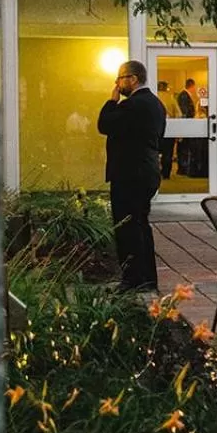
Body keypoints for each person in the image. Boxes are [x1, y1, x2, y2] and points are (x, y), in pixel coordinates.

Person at [97, 60, 167, 292]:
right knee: (141, 224)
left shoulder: (133, 105)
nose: (117, 83)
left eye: (120, 78)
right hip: (146, 172)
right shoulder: (156, 104)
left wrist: (111, 100)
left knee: (127, 227)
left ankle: (133, 279)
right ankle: (147, 278)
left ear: (133, 79)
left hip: (130, 174)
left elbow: (104, 124)